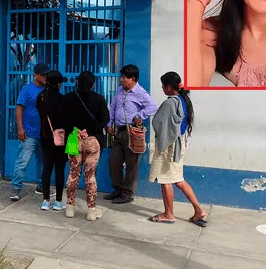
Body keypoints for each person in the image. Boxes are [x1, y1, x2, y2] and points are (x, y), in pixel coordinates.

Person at [148, 72, 207, 227]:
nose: (162, 88)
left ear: (169, 86)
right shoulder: (183, 100)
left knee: (165, 178)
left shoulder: (170, 103)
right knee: (178, 179)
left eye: (163, 85)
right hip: (179, 143)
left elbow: (158, 122)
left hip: (169, 145)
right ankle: (198, 210)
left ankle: (168, 214)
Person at [105, 64, 158, 204]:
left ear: (132, 79)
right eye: (121, 77)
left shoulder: (141, 93)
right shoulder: (120, 91)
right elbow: (113, 107)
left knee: (131, 164)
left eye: (124, 78)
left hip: (132, 132)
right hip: (119, 132)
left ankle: (128, 193)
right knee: (114, 162)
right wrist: (110, 123)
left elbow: (153, 106)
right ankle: (118, 189)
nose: (121, 80)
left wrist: (139, 116)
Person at [60, 71, 110, 221]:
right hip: (92, 140)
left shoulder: (68, 99)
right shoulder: (99, 99)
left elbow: (61, 119)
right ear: (93, 84)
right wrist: (88, 131)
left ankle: (70, 208)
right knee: (90, 176)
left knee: (73, 174)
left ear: (77, 82)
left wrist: (76, 131)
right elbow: (104, 120)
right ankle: (92, 211)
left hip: (74, 140)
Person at [10, 63, 48, 201]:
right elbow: (19, 109)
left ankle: (41, 186)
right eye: (42, 75)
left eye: (46, 75)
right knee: (22, 162)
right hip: (29, 134)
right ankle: (16, 188)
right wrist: (20, 128)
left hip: (43, 134)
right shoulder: (27, 90)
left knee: (43, 162)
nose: (45, 77)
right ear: (35, 75)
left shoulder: (48, 90)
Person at [36, 70, 68, 211]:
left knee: (47, 168)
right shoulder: (63, 100)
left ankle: (45, 200)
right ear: (59, 84)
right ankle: (58, 201)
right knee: (59, 169)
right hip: (60, 139)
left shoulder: (41, 97)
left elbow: (41, 114)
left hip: (45, 137)